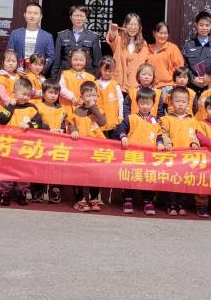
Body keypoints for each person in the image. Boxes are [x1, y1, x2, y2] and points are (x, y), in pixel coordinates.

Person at [0, 78, 45, 206]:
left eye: (28, 95)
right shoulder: (8, 106)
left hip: (25, 146)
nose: (25, 97)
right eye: (23, 94)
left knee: (23, 170)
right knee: (6, 169)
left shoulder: (32, 108)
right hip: (9, 145)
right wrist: (10, 107)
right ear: (14, 92)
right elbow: (2, 120)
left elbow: (39, 124)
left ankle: (22, 193)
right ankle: (5, 193)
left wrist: (29, 125)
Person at [116, 87, 163, 215]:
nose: (145, 106)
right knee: (131, 176)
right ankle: (127, 199)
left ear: (153, 104)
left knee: (148, 178)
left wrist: (160, 142)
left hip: (149, 156)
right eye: (142, 103)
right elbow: (120, 127)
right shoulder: (131, 118)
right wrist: (123, 136)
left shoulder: (156, 121)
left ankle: (148, 201)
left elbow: (159, 135)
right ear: (137, 103)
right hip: (133, 155)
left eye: (148, 103)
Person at [160, 86, 198, 216]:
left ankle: (182, 204)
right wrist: (167, 143)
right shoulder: (166, 119)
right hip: (171, 156)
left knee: (184, 180)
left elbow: (195, 135)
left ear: (188, 103)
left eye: (184, 101)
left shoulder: (192, 120)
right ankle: (171, 204)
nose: (180, 104)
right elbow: (162, 133)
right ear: (171, 102)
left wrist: (195, 142)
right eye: (177, 101)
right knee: (171, 180)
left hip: (186, 157)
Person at [69, 81, 107, 212]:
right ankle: (80, 199)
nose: (91, 98)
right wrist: (73, 130)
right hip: (80, 148)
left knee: (94, 173)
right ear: (82, 97)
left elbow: (102, 122)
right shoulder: (76, 111)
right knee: (79, 174)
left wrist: (93, 107)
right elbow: (71, 123)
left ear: (97, 96)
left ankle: (94, 198)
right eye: (88, 95)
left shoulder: (98, 110)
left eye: (94, 95)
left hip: (95, 148)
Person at [33, 78, 70, 204]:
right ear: (43, 93)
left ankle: (54, 190)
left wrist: (63, 130)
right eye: (50, 92)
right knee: (39, 167)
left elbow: (67, 124)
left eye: (56, 93)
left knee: (56, 167)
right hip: (41, 143)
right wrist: (49, 129)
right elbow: (35, 123)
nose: (53, 95)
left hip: (58, 145)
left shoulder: (62, 109)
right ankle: (38, 190)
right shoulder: (37, 107)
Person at [52, 5, 103, 79]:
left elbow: (97, 62)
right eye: (76, 15)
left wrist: (95, 79)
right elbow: (56, 61)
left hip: (86, 77)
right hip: (66, 77)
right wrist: (54, 79)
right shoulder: (62, 35)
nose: (79, 18)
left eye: (82, 16)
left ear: (86, 18)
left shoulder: (93, 36)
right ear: (71, 17)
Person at [180, 11, 211, 93]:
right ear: (196, 25)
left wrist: (209, 79)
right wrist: (193, 79)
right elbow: (183, 65)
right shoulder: (187, 45)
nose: (204, 28)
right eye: (201, 25)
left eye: (207, 25)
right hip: (191, 87)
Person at [106, 13, 150, 95]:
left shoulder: (143, 44)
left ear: (139, 27)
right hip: (118, 84)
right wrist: (113, 30)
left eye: (136, 25)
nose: (133, 28)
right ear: (125, 25)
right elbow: (112, 38)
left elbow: (144, 62)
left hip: (135, 85)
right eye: (130, 24)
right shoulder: (119, 40)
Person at [7, 2, 55, 76]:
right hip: (18, 74)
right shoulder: (15, 34)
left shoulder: (47, 36)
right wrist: (16, 68)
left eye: (35, 13)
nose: (32, 16)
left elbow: (50, 57)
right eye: (29, 13)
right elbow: (9, 54)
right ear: (24, 15)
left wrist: (40, 69)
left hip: (37, 76)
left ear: (41, 16)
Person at [147, 22, 184, 89]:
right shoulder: (147, 48)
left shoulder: (172, 48)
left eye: (165, 33)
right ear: (154, 33)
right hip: (149, 87)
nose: (163, 36)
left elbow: (179, 69)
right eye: (160, 33)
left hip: (167, 86)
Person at [96, 56, 123, 135]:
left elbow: (120, 101)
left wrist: (120, 116)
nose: (107, 73)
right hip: (99, 121)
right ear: (100, 69)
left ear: (114, 70)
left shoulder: (115, 85)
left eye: (110, 71)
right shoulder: (95, 84)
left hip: (113, 121)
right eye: (105, 70)